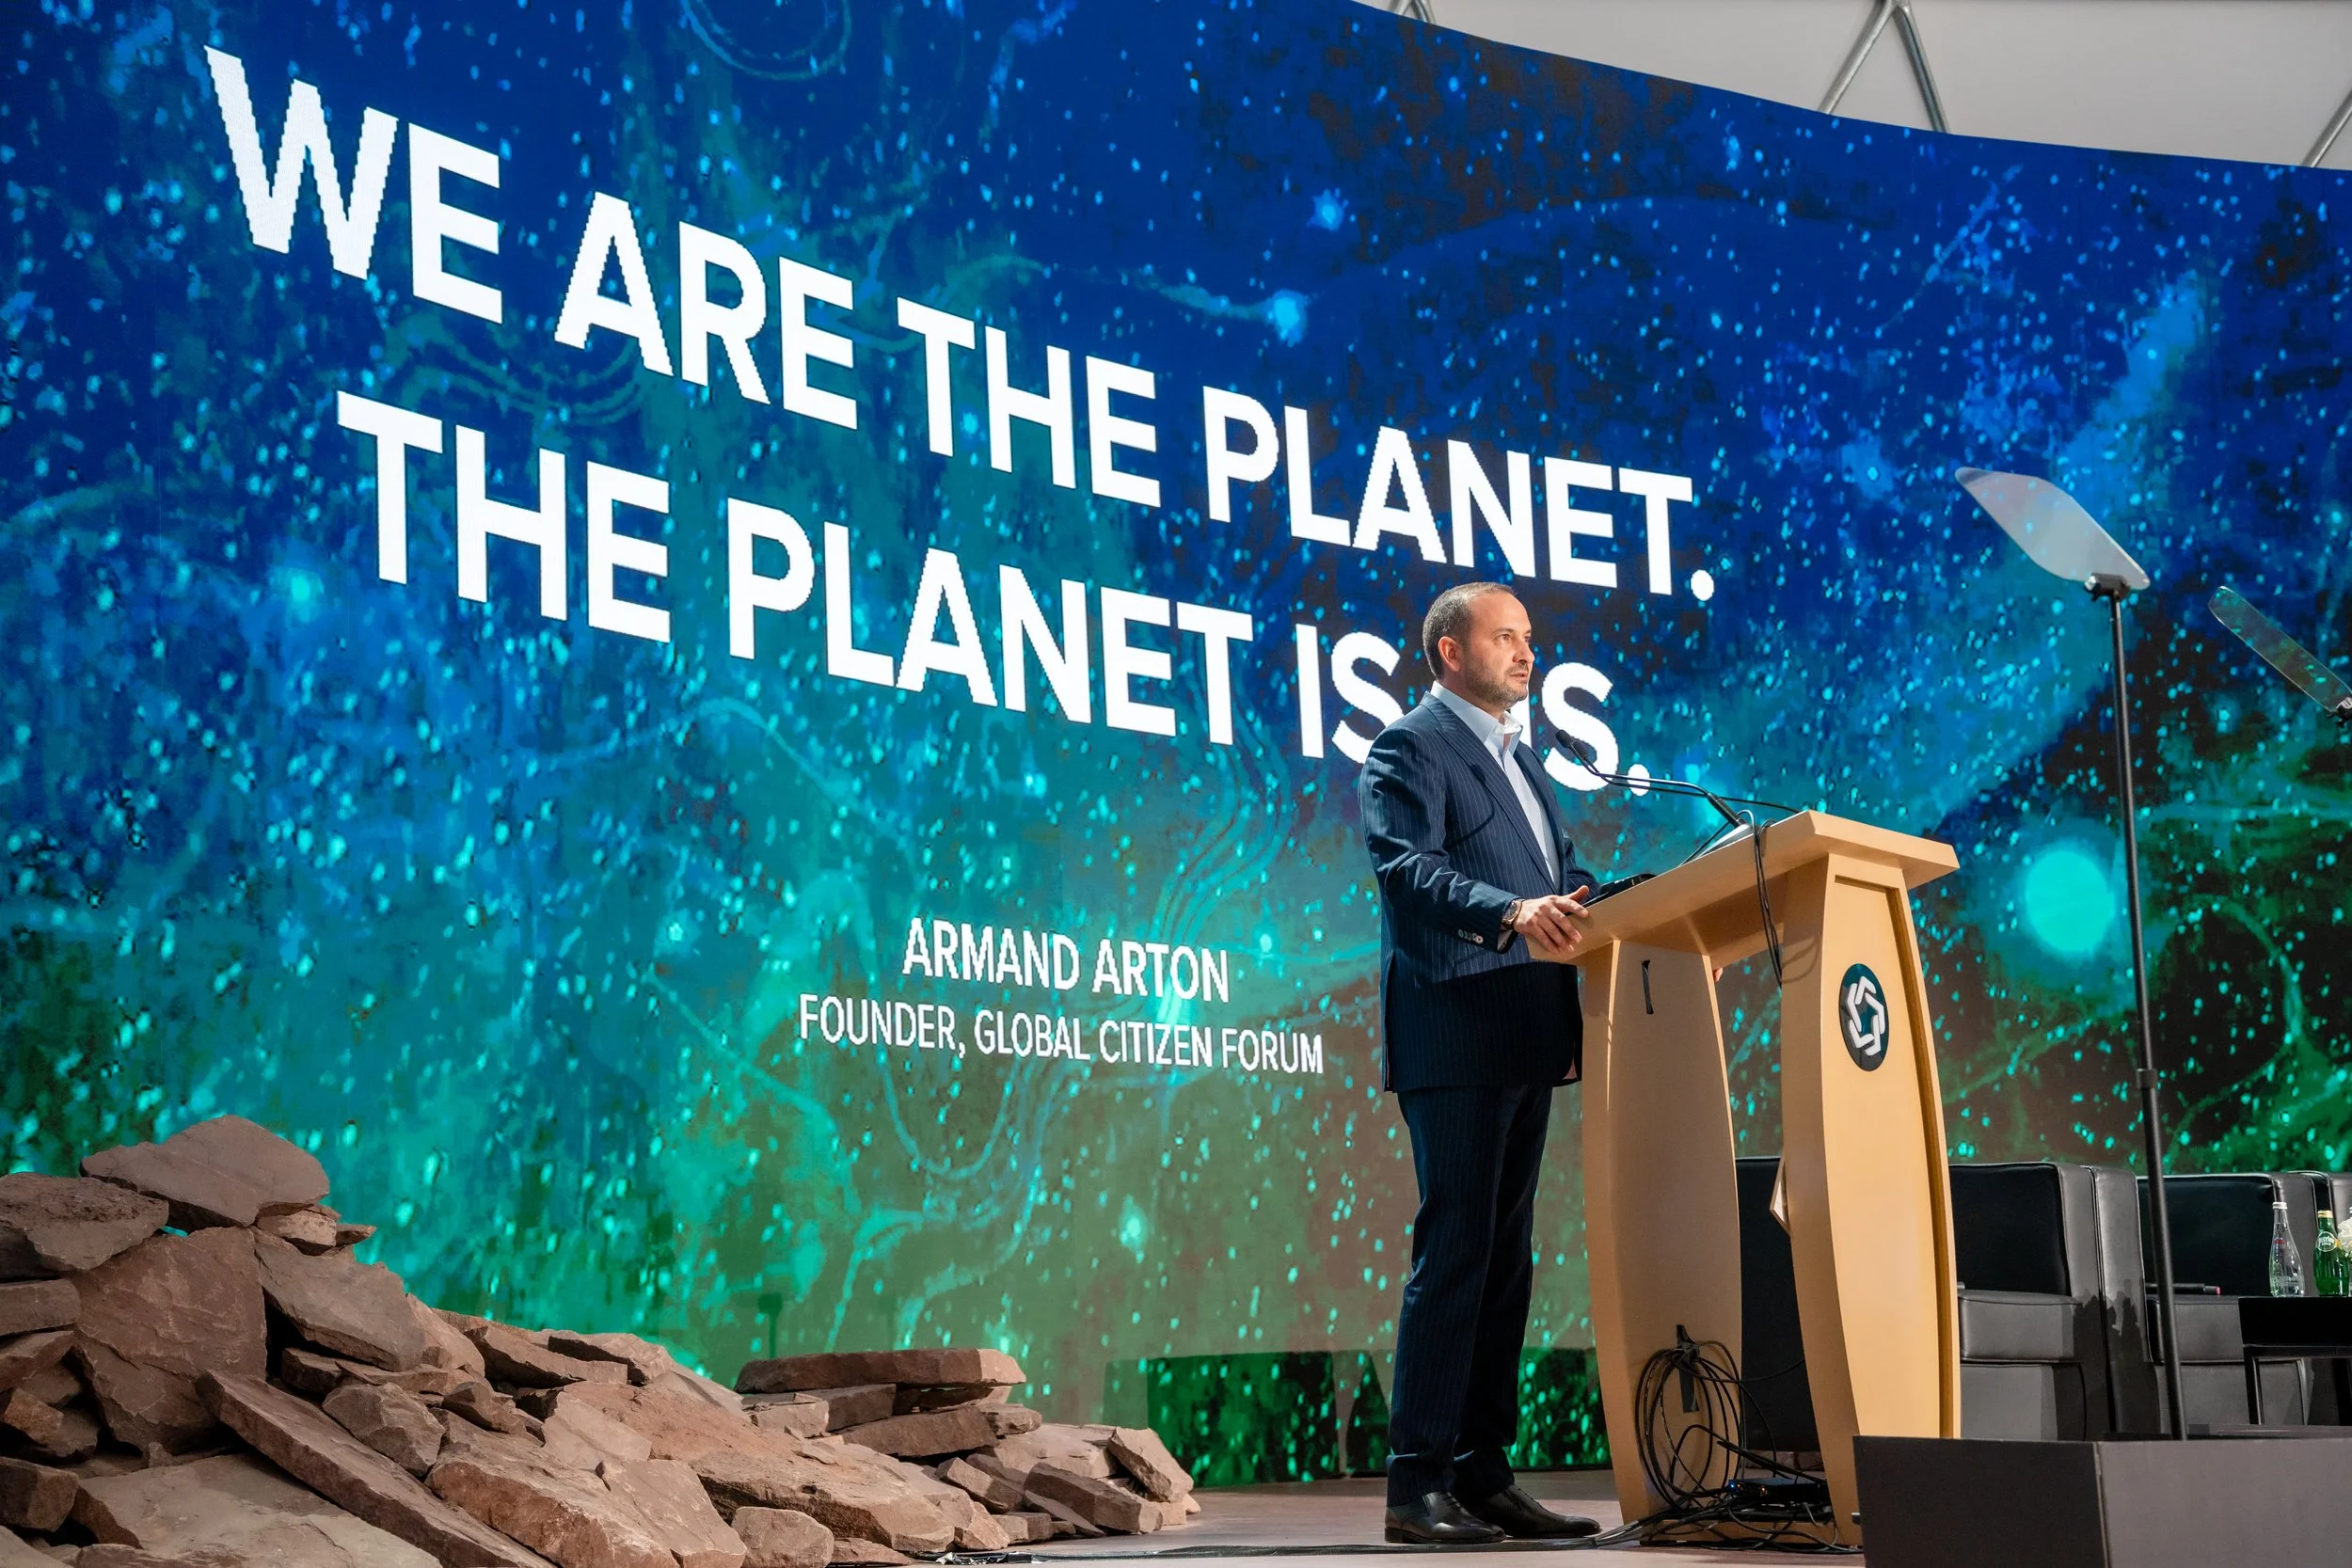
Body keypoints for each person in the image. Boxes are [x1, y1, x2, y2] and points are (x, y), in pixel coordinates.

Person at [1358, 581, 1601, 1544]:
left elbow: (1558, 876)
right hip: (1455, 1028)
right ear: (1449, 651)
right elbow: (1403, 868)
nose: (1526, 651)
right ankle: (1415, 1486)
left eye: (1529, 637)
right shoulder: (1409, 746)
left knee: (1505, 1266)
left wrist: (1594, 895)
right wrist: (1510, 911)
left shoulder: (1525, 762)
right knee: (1455, 1254)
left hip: (1525, 1030)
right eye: (1506, 636)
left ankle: (1483, 1473)